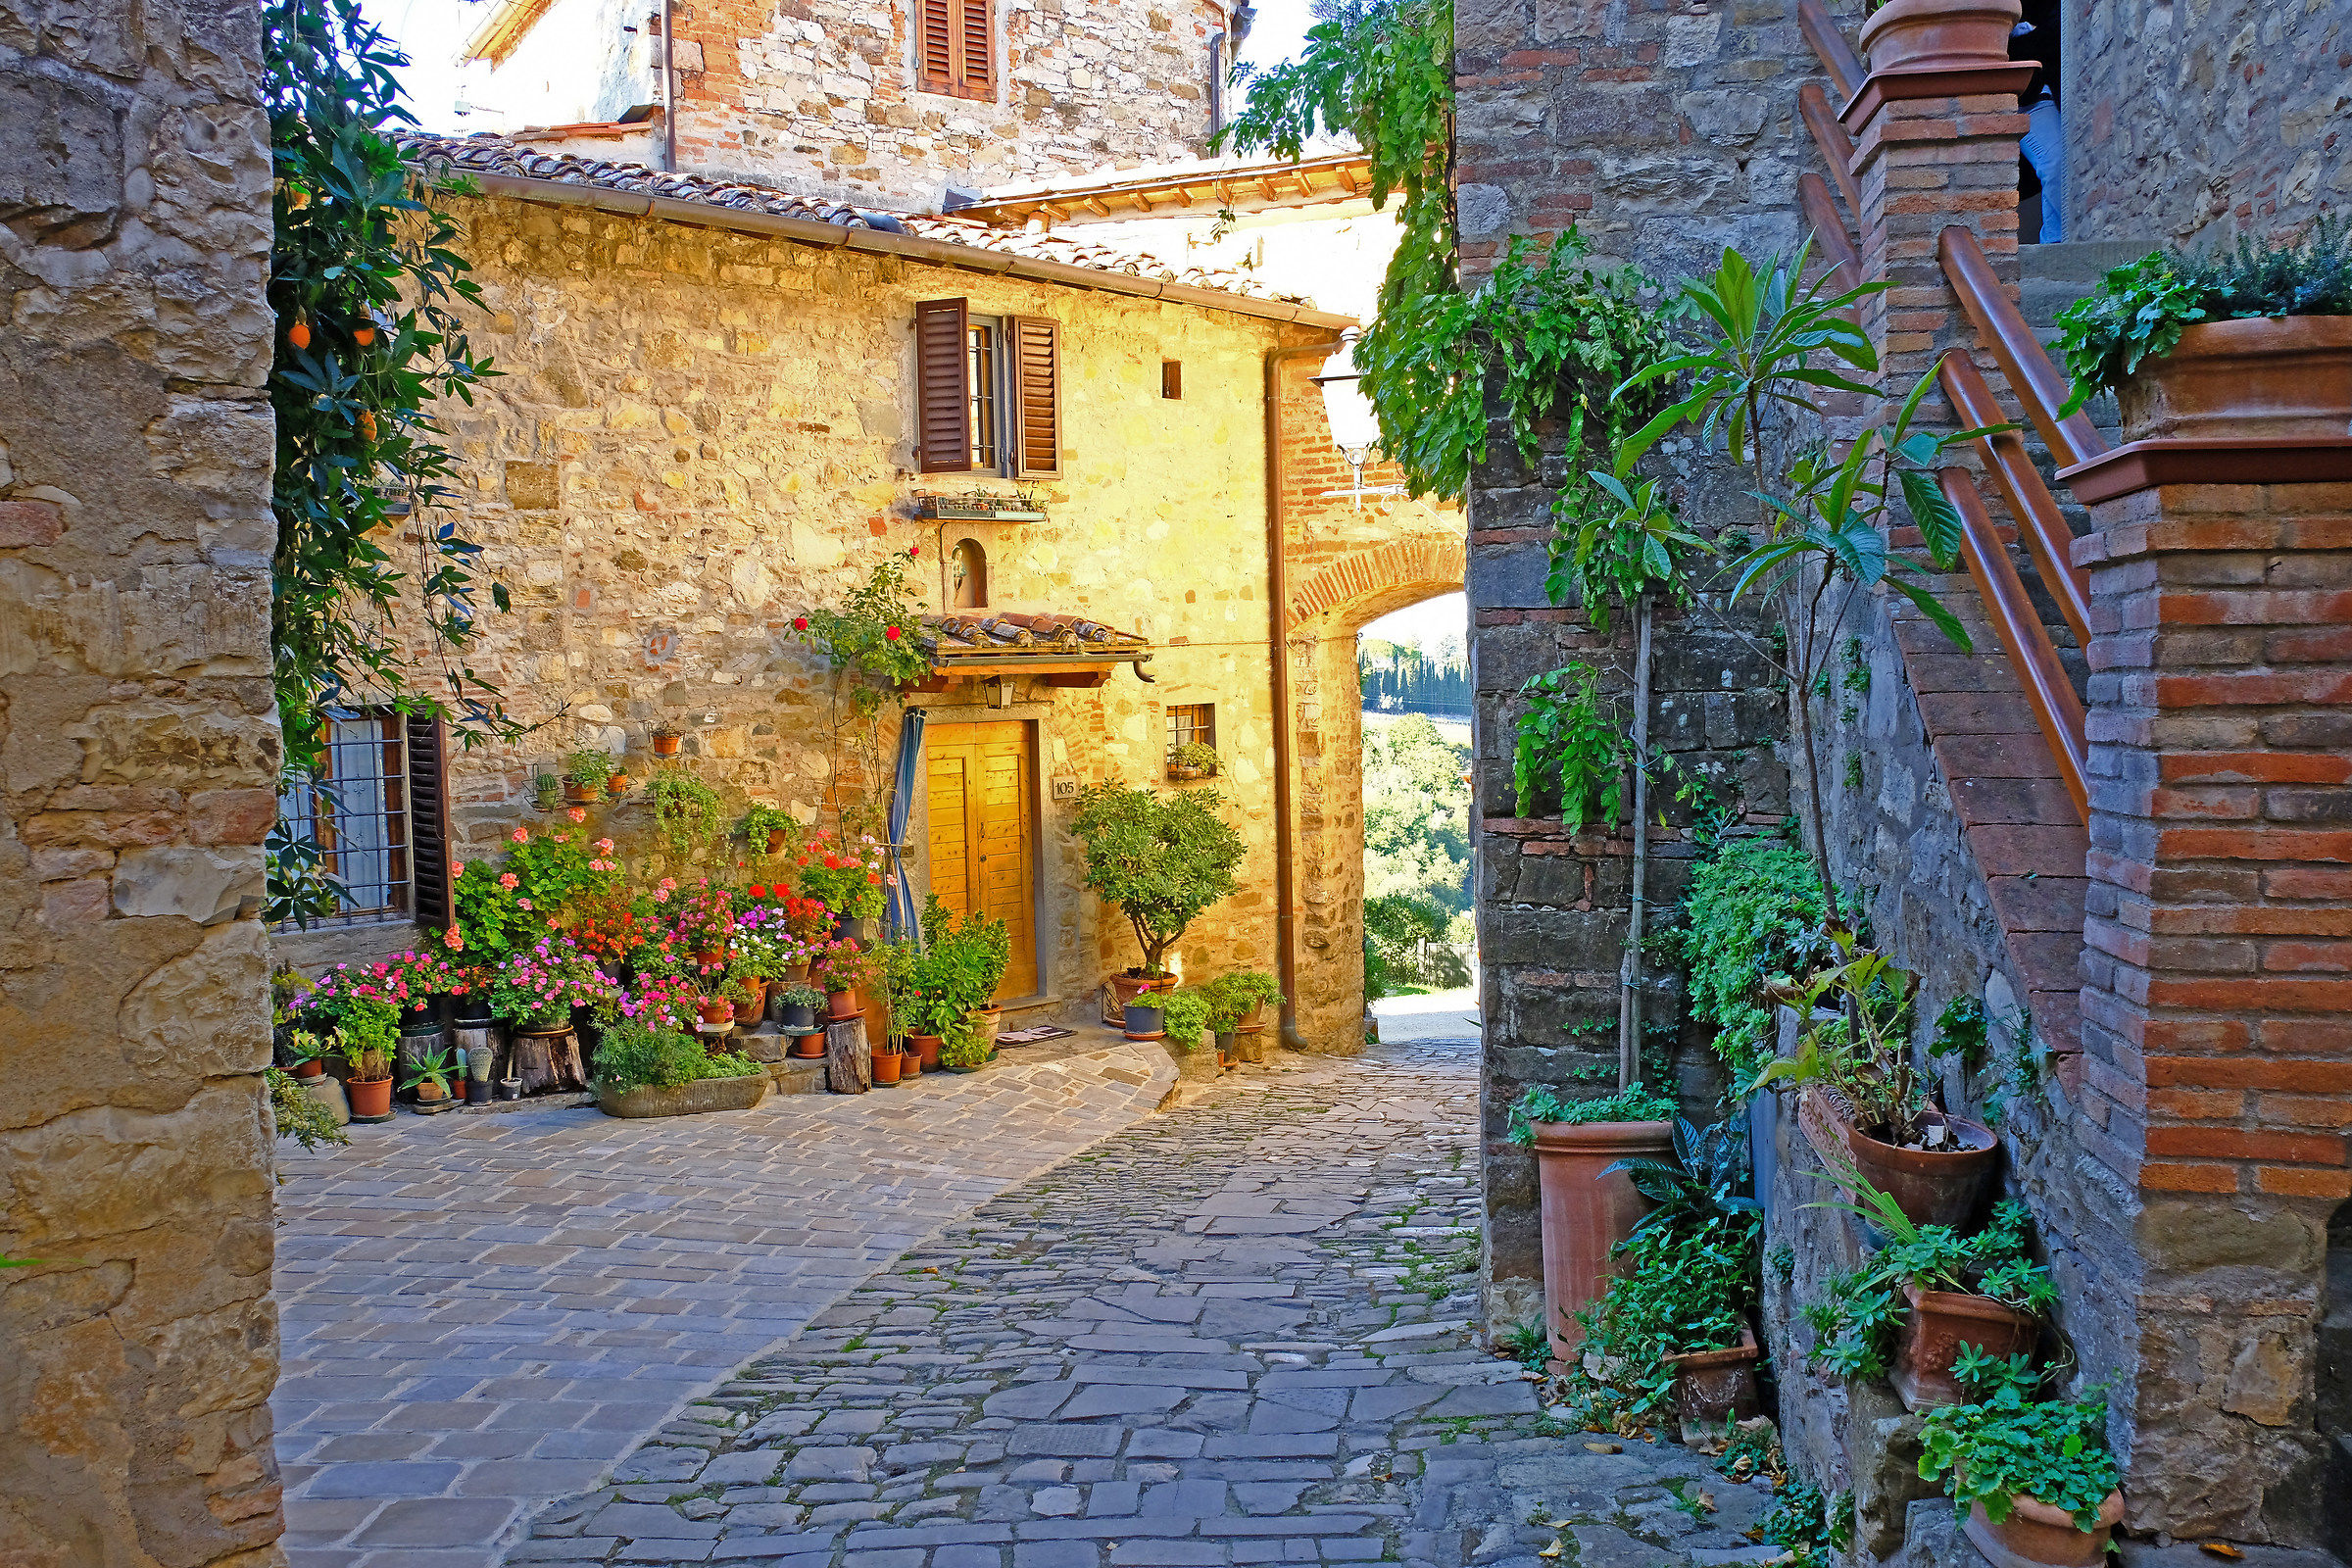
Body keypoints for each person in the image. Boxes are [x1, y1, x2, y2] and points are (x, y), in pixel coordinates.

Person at [2012, 0, 2063, 242]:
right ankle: (2055, 244)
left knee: (2058, 163)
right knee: (2055, 162)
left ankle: (2056, 243)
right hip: (2018, 104)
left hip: (2043, 101)